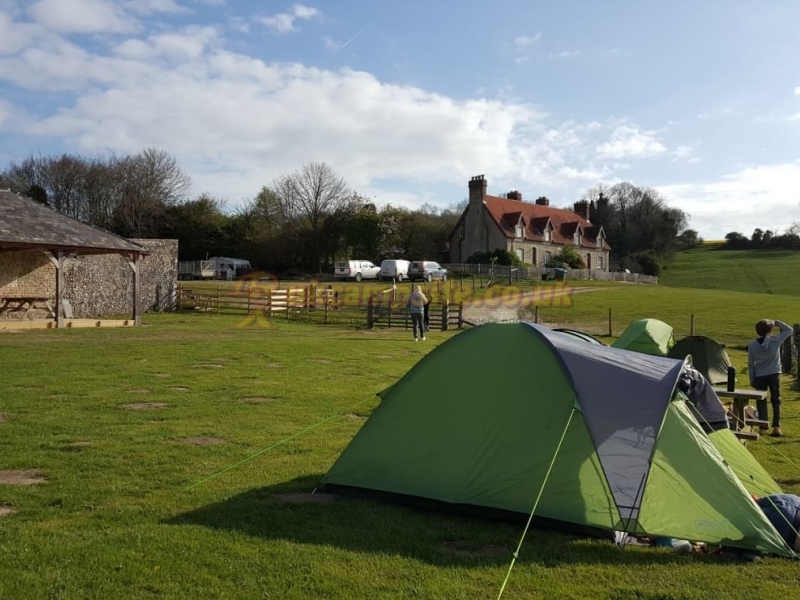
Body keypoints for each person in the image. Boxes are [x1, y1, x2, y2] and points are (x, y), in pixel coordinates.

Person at [747, 319, 792, 437]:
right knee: (776, 400)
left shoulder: (752, 345)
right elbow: (789, 330)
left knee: (761, 401)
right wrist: (777, 322)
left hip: (760, 375)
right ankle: (776, 427)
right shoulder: (775, 341)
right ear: (770, 330)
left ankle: (763, 427)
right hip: (774, 374)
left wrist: (752, 378)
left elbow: (751, 364)